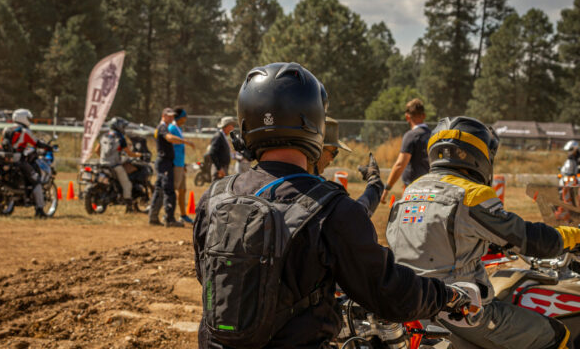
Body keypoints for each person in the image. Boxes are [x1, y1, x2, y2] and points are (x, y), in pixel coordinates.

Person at [193, 62, 471, 349]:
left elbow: (210, 277)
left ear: (244, 125)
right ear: (315, 123)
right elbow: (390, 294)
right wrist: (445, 295)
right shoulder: (331, 208)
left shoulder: (214, 197)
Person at [386, 116, 580, 349]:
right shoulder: (471, 194)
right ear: (477, 155)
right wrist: (574, 236)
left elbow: (435, 239)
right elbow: (529, 238)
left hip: (410, 301)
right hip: (460, 310)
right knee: (555, 334)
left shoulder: (411, 191)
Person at [316, 116, 383, 217]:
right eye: (334, 153)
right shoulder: (323, 191)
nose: (332, 159)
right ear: (316, 149)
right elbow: (355, 214)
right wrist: (375, 183)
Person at [1, 109, 52, 218]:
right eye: (28, 118)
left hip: (6, 159)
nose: (30, 120)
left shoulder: (6, 129)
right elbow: (36, 143)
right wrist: (48, 147)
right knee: (36, 180)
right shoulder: (25, 131)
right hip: (19, 160)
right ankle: (40, 210)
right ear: (23, 118)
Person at [380, 98, 431, 203]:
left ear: (407, 117)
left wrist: (386, 189)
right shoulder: (433, 134)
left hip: (413, 189)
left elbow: (400, 164)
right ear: (424, 116)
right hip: (430, 188)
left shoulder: (411, 136)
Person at [94, 117, 141, 213]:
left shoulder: (104, 135)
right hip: (114, 165)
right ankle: (129, 207)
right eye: (123, 126)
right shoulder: (120, 137)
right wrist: (137, 154)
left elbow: (96, 150)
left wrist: (103, 159)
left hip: (103, 164)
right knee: (127, 184)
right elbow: (129, 153)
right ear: (119, 127)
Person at [148, 108, 186, 227]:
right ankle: (170, 219)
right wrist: (185, 141)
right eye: (169, 116)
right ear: (163, 115)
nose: (171, 118)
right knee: (169, 191)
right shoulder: (163, 127)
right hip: (164, 163)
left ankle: (153, 217)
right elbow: (169, 138)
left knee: (159, 190)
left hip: (164, 162)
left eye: (172, 116)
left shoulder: (163, 127)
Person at [168, 107, 195, 224]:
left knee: (182, 190)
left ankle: (183, 215)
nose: (185, 119)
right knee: (173, 190)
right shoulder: (172, 128)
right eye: (184, 117)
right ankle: (169, 215)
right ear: (179, 117)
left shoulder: (178, 128)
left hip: (180, 164)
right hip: (175, 164)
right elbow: (172, 143)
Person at [208, 116, 236, 181]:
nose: (233, 128)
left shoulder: (223, 136)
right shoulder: (218, 136)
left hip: (223, 167)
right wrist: (219, 168)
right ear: (227, 126)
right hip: (220, 169)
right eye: (232, 125)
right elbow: (212, 152)